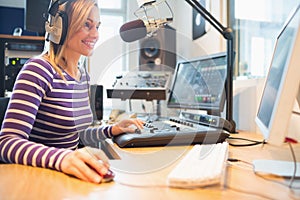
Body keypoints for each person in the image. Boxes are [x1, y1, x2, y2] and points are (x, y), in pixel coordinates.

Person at [0, 0, 144, 184]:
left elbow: (76, 135)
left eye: (97, 26)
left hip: (67, 178)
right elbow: (6, 142)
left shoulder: (82, 75)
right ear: (60, 26)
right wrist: (62, 158)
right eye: (87, 24)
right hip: (39, 179)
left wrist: (113, 129)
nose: (95, 35)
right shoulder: (38, 70)